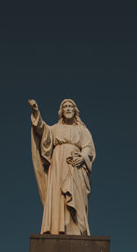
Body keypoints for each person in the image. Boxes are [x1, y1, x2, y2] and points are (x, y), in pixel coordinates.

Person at [28, 98, 96, 235]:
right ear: (62, 111)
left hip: (75, 166)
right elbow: (42, 129)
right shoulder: (55, 129)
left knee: (76, 196)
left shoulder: (82, 130)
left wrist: (82, 157)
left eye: (71, 106)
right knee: (59, 196)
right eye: (65, 107)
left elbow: (89, 147)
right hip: (58, 164)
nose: (68, 109)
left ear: (75, 110)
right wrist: (36, 112)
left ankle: (76, 229)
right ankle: (57, 227)